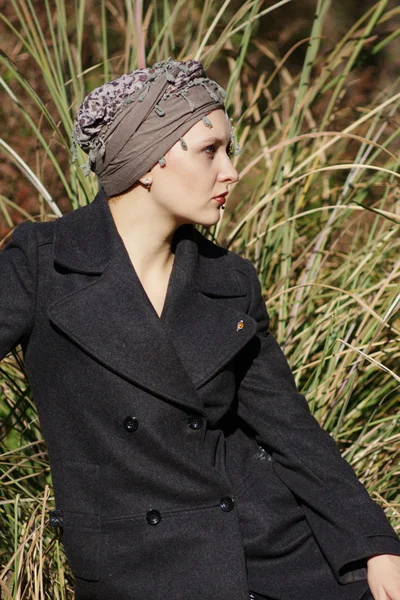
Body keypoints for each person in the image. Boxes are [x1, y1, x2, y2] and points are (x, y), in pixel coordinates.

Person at [1, 57, 400, 600]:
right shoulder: (45, 264)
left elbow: (290, 431)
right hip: (139, 569)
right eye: (211, 150)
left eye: (228, 150)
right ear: (148, 160)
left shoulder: (228, 282)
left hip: (273, 552)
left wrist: (373, 543)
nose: (231, 170)